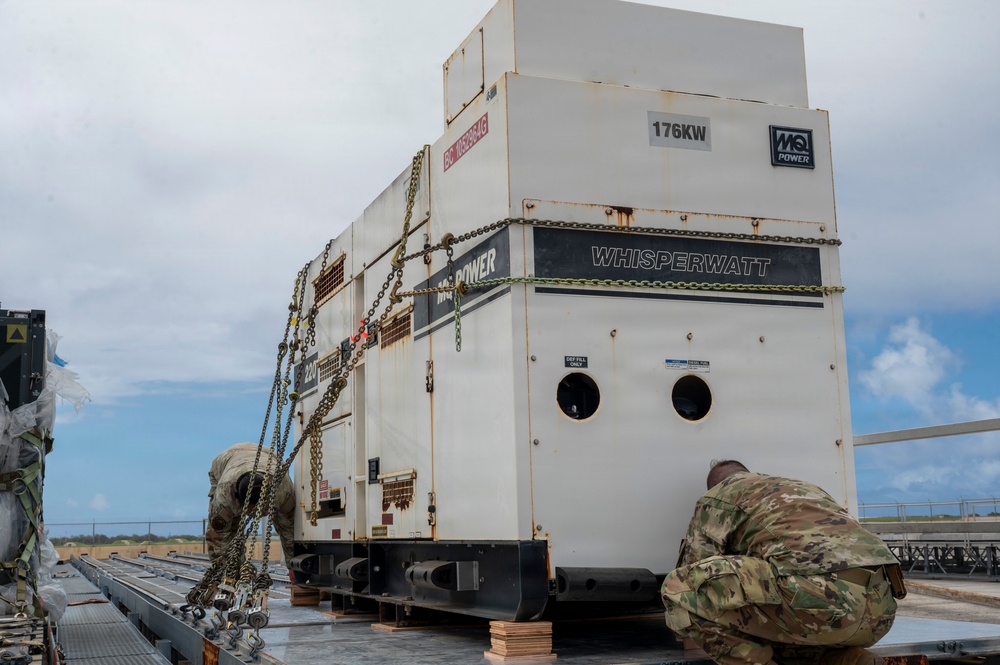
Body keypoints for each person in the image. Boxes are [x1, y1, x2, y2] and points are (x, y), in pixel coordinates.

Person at [661, 460, 906, 665]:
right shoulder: (805, 489)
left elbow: (694, 569)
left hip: (822, 599)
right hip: (881, 611)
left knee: (678, 588)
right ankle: (849, 659)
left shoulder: (717, 496)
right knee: (789, 622)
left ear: (717, 484)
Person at [206, 442, 296, 568]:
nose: (253, 513)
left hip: (269, 457)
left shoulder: (282, 490)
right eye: (249, 508)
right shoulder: (225, 496)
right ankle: (234, 572)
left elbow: (290, 530)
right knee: (230, 530)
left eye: (258, 507)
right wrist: (223, 570)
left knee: (288, 525)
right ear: (238, 498)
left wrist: (294, 567)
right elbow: (217, 539)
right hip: (226, 460)